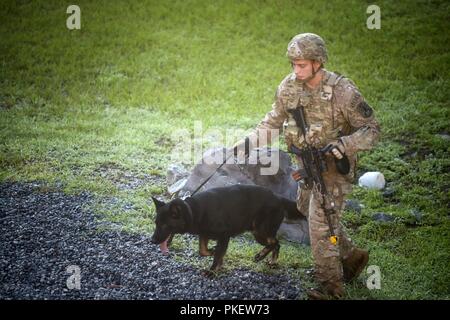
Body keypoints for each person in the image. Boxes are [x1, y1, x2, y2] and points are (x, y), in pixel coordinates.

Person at [233, 33, 380, 299]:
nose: (296, 70)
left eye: (302, 64)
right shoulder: (289, 87)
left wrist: (344, 145)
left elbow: (371, 129)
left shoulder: (343, 92)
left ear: (318, 62)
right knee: (303, 206)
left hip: (335, 168)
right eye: (293, 64)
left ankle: (331, 289)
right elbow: (272, 123)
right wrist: (248, 143)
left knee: (320, 223)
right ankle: (351, 256)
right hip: (307, 165)